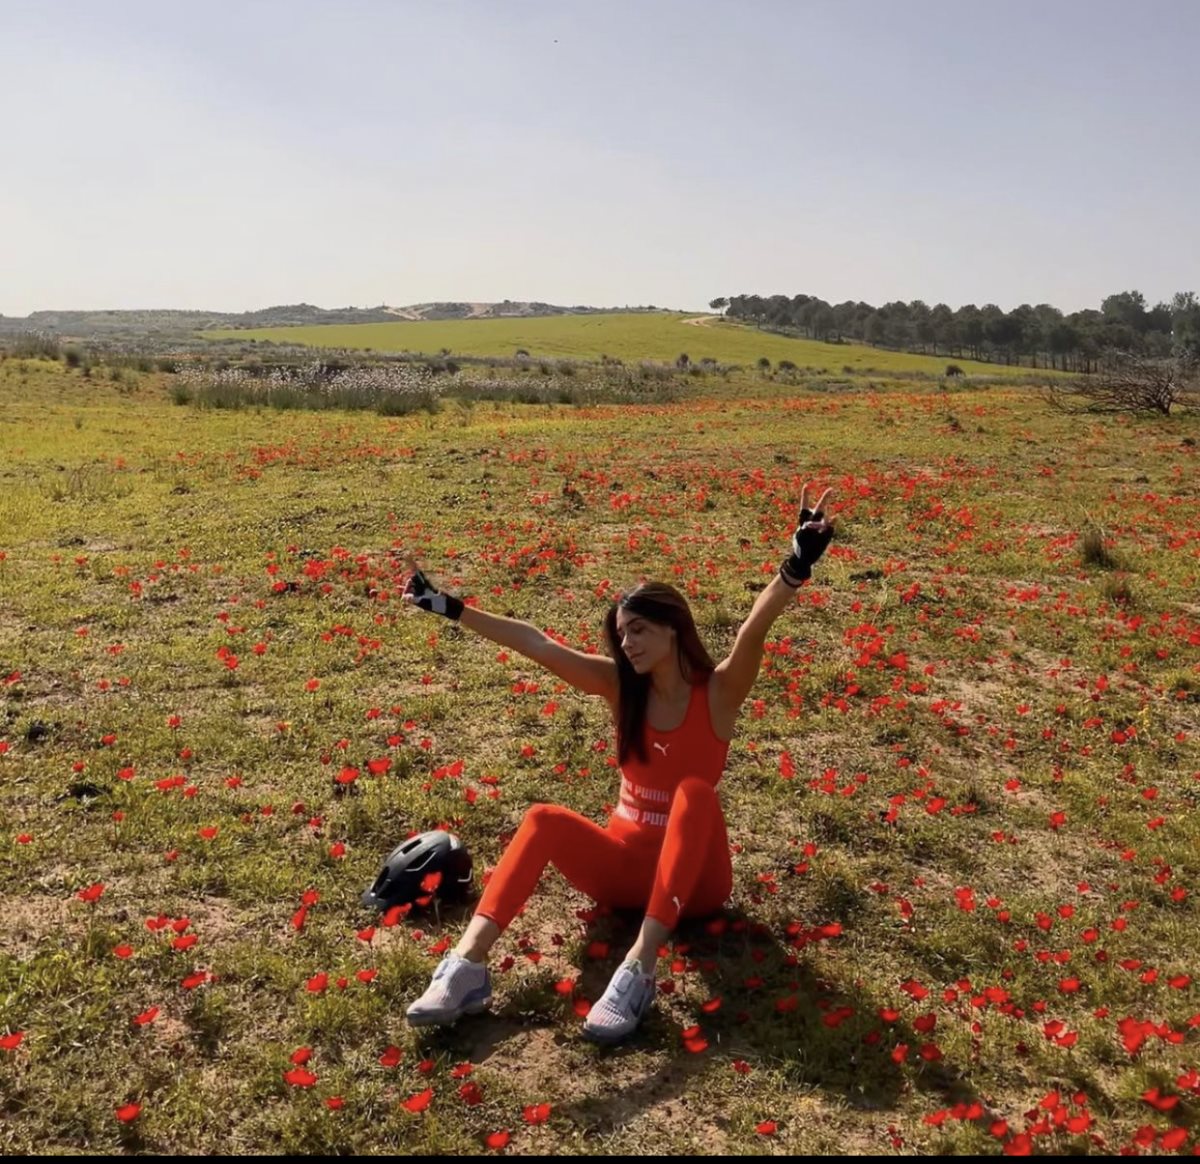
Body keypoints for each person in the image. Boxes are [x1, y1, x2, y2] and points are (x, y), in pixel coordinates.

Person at [401, 485, 836, 1043]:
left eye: (639, 630)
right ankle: (466, 967)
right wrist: (449, 607)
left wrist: (795, 565)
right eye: (621, 633)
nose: (626, 643)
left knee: (695, 794)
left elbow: (756, 625)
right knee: (542, 819)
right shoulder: (619, 689)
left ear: (674, 627)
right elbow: (537, 644)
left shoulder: (720, 693)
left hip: (697, 883)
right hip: (625, 869)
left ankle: (637, 968)